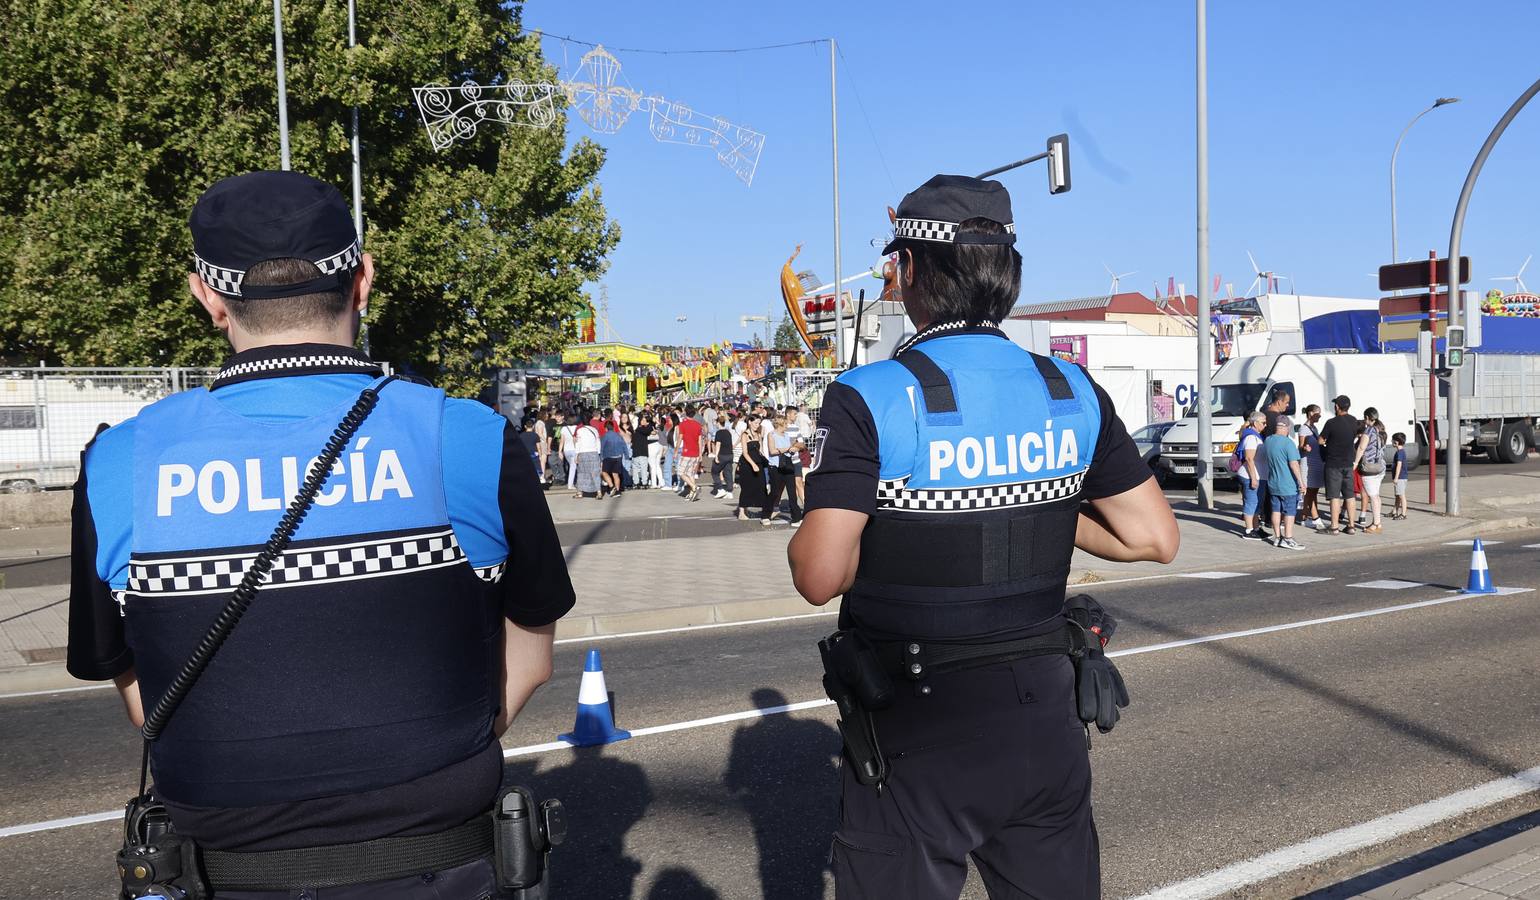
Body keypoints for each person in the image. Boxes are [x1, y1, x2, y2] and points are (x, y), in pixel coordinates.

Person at [65, 171, 573, 897]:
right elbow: (530, 660)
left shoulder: (117, 461)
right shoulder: (473, 437)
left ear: (207, 296)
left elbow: (139, 690)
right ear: (362, 280)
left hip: (223, 873)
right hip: (438, 865)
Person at [786, 174, 1178, 899]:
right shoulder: (1069, 387)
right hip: (1043, 717)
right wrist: (1046, 502)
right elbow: (1154, 537)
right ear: (1006, 273)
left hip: (917, 720)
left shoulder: (870, 394)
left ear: (909, 271)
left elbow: (819, 575)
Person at [1318, 395, 1360, 535]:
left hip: (1333, 464)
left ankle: (1334, 527)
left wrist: (1326, 445)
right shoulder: (1354, 421)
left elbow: (1321, 440)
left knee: (1334, 496)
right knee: (1349, 495)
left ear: (1337, 407)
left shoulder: (1331, 423)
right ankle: (1351, 526)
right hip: (1348, 462)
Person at [1262, 415, 1305, 550]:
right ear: (1287, 427)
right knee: (1289, 512)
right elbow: (1294, 464)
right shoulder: (1288, 443)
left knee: (1276, 511)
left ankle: (1277, 537)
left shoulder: (1268, 440)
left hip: (1273, 482)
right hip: (1288, 484)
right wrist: (1301, 482)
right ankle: (1288, 538)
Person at [763, 415, 801, 526]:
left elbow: (789, 450)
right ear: (780, 424)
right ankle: (765, 515)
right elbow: (772, 451)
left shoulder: (787, 435)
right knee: (775, 491)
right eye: (785, 424)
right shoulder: (772, 435)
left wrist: (793, 449)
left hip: (787, 464)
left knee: (792, 492)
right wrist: (787, 449)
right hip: (775, 466)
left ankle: (796, 518)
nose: (787, 426)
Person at [1238, 411, 1268, 540]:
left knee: (1257, 503)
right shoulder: (1251, 437)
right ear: (1255, 423)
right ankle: (1249, 530)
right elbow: (1249, 459)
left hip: (1258, 474)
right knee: (1251, 502)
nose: (1266, 425)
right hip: (1251, 475)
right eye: (1263, 422)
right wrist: (1253, 478)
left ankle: (1256, 527)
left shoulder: (1256, 436)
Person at [1358, 407, 1388, 534]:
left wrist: (1355, 463)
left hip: (1369, 468)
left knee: (1373, 496)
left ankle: (1376, 524)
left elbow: (1361, 448)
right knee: (1376, 495)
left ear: (1366, 418)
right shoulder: (1380, 429)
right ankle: (1377, 522)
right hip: (1380, 467)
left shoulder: (1369, 431)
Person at [1296, 404, 1325, 530]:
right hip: (1307, 462)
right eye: (1318, 413)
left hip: (1317, 462)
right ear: (1311, 413)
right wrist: (1304, 447)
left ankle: (1307, 517)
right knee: (1308, 491)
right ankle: (1314, 517)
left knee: (1314, 491)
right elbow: (1300, 446)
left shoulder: (1315, 428)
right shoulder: (1304, 428)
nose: (1320, 415)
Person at [736, 414, 769, 521]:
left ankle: (764, 509)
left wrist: (765, 460)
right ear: (749, 422)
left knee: (761, 486)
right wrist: (753, 464)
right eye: (755, 423)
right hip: (747, 464)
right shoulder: (745, 434)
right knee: (746, 487)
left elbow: (760, 450)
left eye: (759, 423)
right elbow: (745, 453)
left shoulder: (758, 434)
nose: (757, 425)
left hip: (758, 462)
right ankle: (742, 511)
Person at [677, 404, 705, 501]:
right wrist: (701, 454)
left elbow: (680, 438)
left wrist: (676, 450)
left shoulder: (683, 424)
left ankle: (694, 487)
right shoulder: (698, 425)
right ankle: (692, 493)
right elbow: (700, 440)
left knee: (680, 472)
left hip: (687, 451)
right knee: (691, 473)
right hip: (696, 452)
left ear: (685, 412)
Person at [573, 411, 602, 497]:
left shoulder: (580, 430)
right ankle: (599, 492)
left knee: (582, 473)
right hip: (594, 453)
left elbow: (578, 444)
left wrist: (576, 455)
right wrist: (598, 453)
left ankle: (580, 492)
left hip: (583, 453)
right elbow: (598, 443)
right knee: (595, 473)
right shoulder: (594, 430)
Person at [600, 420, 628, 497]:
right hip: (618, 457)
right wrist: (626, 456)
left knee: (604, 472)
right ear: (613, 427)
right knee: (616, 475)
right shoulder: (618, 435)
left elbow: (602, 448)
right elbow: (624, 445)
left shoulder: (605, 436)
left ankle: (612, 487)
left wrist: (601, 459)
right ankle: (617, 491)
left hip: (608, 457)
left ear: (606, 428)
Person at [710, 414, 735, 499]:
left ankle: (720, 489)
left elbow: (718, 444)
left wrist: (716, 456)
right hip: (730, 454)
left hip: (722, 455)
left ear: (718, 423)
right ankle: (729, 491)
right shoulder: (728, 432)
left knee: (714, 472)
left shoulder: (718, 433)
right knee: (728, 473)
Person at [631, 414, 655, 489]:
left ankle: (636, 483)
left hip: (635, 451)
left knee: (636, 469)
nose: (645, 422)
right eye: (643, 420)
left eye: (645, 421)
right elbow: (649, 430)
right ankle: (644, 483)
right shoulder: (641, 429)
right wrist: (650, 424)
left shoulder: (637, 429)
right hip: (642, 452)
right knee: (643, 468)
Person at [1390, 432, 1409, 520]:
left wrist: (1396, 477)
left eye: (1393, 440)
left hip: (1400, 477)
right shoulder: (1400, 451)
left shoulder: (1400, 452)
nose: (1391, 441)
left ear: (1397, 442)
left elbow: (1399, 465)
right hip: (1401, 477)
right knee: (1397, 495)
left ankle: (1403, 514)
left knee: (1401, 495)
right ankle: (1395, 511)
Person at [559, 411, 580, 491]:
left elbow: (562, 441)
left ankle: (574, 482)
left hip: (566, 450)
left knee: (572, 466)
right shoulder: (577, 428)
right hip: (575, 449)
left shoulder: (564, 428)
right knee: (574, 467)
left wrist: (560, 451)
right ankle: (571, 484)